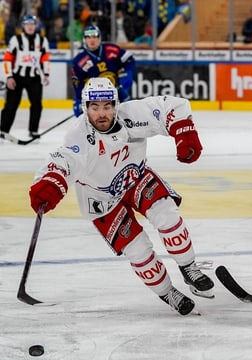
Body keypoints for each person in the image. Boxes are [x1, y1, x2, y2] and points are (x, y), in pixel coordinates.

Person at [28, 78, 212, 316]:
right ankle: (168, 292)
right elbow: (63, 160)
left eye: (107, 106)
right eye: (95, 107)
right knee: (139, 251)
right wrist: (50, 184)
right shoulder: (79, 136)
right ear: (86, 108)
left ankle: (189, 268)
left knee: (167, 215)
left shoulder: (131, 115)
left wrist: (183, 131)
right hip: (102, 200)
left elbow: (172, 106)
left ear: (116, 105)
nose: (101, 113)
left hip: (136, 178)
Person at [0, 15, 50, 140]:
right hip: (17, 77)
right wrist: (9, 77)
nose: (30, 26)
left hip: (34, 77)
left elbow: (45, 59)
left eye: (32, 24)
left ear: (36, 25)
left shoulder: (42, 41)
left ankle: (33, 130)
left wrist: (47, 74)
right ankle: (3, 130)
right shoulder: (15, 40)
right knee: (11, 104)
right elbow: (7, 59)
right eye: (27, 24)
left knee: (37, 105)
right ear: (23, 26)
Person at [71, 25, 136, 118]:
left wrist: (127, 73)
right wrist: (78, 100)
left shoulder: (111, 49)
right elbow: (77, 82)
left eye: (94, 36)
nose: (92, 40)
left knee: (129, 115)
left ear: (99, 38)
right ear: (84, 39)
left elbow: (129, 59)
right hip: (96, 98)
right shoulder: (79, 60)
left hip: (117, 91)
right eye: (88, 37)